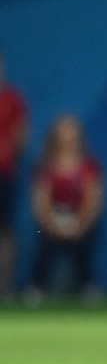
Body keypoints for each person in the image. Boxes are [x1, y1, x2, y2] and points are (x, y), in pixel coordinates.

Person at [27, 116, 103, 301]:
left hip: (80, 221)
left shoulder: (89, 166)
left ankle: (86, 286)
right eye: (63, 133)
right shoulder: (45, 167)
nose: (67, 139)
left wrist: (78, 225)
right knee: (45, 245)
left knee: (83, 245)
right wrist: (54, 225)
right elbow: (41, 203)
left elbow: (93, 201)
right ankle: (37, 288)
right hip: (52, 222)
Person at [0, 52, 28, 298]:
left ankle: (5, 286)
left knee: (5, 230)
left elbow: (21, 136)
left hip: (4, 174)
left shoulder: (12, 99)